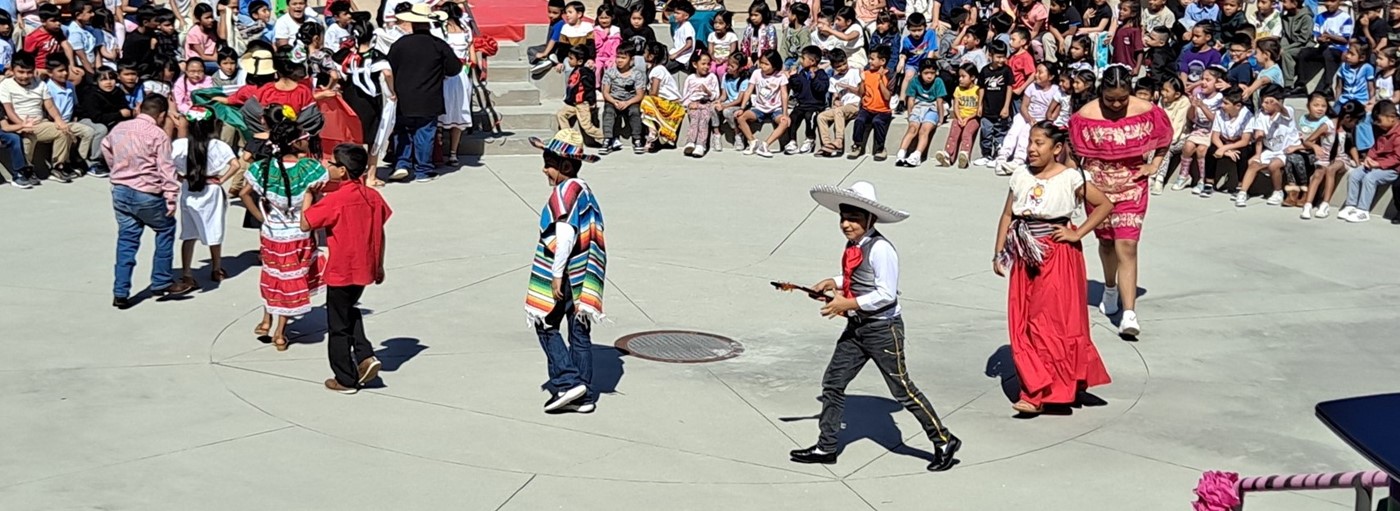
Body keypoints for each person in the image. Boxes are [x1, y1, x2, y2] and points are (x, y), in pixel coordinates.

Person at [790, 180, 961, 472]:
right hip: (857, 328)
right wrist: (835, 282)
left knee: (902, 390)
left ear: (869, 219)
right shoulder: (854, 245)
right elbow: (857, 277)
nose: (846, 224)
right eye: (843, 218)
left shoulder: (882, 249)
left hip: (883, 330)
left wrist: (847, 304)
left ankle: (944, 440)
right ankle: (827, 445)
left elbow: (886, 294)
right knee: (833, 382)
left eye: (853, 219)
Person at [992, 121, 1113, 415]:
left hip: (1057, 255)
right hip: (1025, 255)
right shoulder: (1020, 175)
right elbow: (1008, 213)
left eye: (1039, 143)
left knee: (1051, 323)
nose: (1032, 149)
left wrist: (1077, 232)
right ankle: (1048, 382)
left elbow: (1105, 205)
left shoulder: (1071, 178)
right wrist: (998, 253)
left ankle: (1040, 392)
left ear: (1057, 148)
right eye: (1030, 142)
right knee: (1024, 321)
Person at [1067, 65, 1172, 338]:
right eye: (1110, 99)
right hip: (1097, 186)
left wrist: (1155, 166)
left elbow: (1164, 138)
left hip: (1132, 184)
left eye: (1122, 99)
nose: (1116, 104)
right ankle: (1110, 287)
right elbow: (1074, 156)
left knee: (1127, 244)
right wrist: (1077, 184)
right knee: (1105, 242)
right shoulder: (1084, 116)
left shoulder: (1147, 110)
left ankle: (1129, 313)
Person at [525, 129, 607, 414]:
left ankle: (567, 380)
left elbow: (566, 234)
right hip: (585, 272)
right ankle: (582, 395)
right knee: (579, 333)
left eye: (548, 163)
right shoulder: (584, 189)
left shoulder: (564, 192)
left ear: (566, 166)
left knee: (545, 324)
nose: (544, 169)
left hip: (568, 273)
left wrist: (557, 274)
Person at [300, 143, 391, 395]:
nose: (328, 166)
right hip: (365, 267)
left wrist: (308, 196)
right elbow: (380, 232)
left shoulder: (337, 199)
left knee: (337, 324)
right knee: (349, 310)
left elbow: (305, 223)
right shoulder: (372, 196)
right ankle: (364, 355)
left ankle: (345, 378)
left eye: (332, 163)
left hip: (342, 269)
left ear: (342, 171)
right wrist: (380, 264)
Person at [238, 103, 328, 351]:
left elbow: (245, 193)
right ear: (296, 143)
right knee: (290, 280)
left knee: (272, 275)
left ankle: (266, 319)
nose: (308, 139)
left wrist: (263, 218)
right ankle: (280, 332)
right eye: (304, 137)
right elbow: (321, 192)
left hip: (271, 233)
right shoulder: (310, 170)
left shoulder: (263, 168)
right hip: (298, 234)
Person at [104, 94, 196, 309]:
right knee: (165, 230)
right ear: (162, 115)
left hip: (120, 191)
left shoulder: (119, 128)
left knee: (127, 240)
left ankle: (121, 291)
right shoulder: (158, 135)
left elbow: (106, 149)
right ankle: (161, 281)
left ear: (139, 108)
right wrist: (171, 199)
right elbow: (166, 169)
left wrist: (117, 169)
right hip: (147, 194)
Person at [386, 4, 461, 183]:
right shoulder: (439, 45)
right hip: (429, 98)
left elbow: (389, 68)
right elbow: (454, 69)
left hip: (403, 98)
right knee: (425, 133)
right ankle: (423, 170)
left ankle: (402, 164)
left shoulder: (400, 44)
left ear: (412, 23)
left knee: (402, 132)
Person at [175, 107, 239, 285]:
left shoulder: (179, 145)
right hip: (212, 189)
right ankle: (216, 269)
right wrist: (222, 179)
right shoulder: (219, 146)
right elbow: (235, 165)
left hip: (189, 189)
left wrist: (181, 177)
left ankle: (187, 272)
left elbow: (166, 164)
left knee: (188, 233)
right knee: (214, 228)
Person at [2, 51, 75, 183]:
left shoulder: (40, 83)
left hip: (40, 123)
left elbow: (50, 106)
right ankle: (27, 170)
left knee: (64, 131)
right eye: (21, 72)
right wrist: (22, 124)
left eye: (29, 72)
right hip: (19, 124)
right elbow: (9, 110)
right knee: (26, 139)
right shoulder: (5, 85)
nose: (25, 76)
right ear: (12, 70)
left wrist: (59, 120)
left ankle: (58, 166)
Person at [1235, 84, 1301, 207]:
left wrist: (1278, 104)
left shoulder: (1287, 111)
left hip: (1287, 150)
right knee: (1253, 163)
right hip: (1270, 149)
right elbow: (1259, 137)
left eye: (1267, 102)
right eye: (1263, 102)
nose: (1264, 105)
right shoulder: (1261, 114)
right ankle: (1243, 192)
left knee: (1274, 165)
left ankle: (1278, 191)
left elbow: (1285, 111)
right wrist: (1258, 154)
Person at [1339, 99, 1400, 223]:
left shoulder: (1398, 135)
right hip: (1376, 164)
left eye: (1380, 120)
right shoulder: (1384, 130)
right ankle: (1351, 205)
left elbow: (1397, 158)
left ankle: (1363, 210)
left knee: (1370, 178)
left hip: (1393, 169)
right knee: (1355, 174)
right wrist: (1369, 158)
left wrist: (1379, 164)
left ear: (1391, 118)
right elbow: (1375, 147)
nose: (1377, 123)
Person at [894, 58, 945, 167]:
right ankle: (901, 153)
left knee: (924, 130)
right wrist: (910, 115)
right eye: (926, 73)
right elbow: (911, 100)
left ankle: (917, 155)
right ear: (920, 73)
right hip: (918, 107)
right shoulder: (915, 81)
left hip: (932, 108)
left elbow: (939, 102)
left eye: (932, 73)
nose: (929, 76)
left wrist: (941, 118)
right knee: (912, 128)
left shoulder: (938, 82)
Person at [973, 40, 1013, 168]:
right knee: (986, 132)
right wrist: (979, 105)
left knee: (1000, 133)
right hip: (987, 109)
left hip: (1001, 109)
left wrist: (1006, 106)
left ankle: (997, 156)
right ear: (990, 55)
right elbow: (981, 88)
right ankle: (986, 155)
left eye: (1003, 57)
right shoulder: (985, 71)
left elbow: (1009, 88)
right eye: (998, 57)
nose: (1001, 60)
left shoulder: (1007, 71)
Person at [600, 47, 648, 155]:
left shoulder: (637, 74)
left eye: (623, 58)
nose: (619, 60)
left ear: (631, 60)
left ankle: (637, 139)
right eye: (618, 57)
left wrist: (627, 103)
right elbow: (605, 92)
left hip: (630, 101)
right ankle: (607, 139)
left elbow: (640, 94)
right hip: (613, 101)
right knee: (608, 112)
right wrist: (614, 101)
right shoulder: (610, 72)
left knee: (635, 112)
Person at [849, 46, 893, 161]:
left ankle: (880, 149)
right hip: (867, 108)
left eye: (872, 59)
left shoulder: (889, 75)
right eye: (869, 58)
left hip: (883, 110)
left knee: (877, 121)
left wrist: (880, 79)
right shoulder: (866, 73)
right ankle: (857, 145)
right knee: (859, 120)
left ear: (882, 61)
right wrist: (863, 81)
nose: (869, 61)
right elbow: (861, 93)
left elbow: (887, 97)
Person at [640, 41, 684, 150]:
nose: (643, 55)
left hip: (672, 105)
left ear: (651, 56)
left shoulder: (657, 70)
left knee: (646, 101)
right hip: (663, 102)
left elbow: (654, 93)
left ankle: (652, 133)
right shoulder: (654, 69)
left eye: (645, 52)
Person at [816, 49, 860, 157]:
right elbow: (835, 97)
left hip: (855, 104)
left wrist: (849, 87)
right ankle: (827, 145)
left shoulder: (855, 72)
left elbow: (862, 91)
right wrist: (835, 102)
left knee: (839, 112)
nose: (843, 67)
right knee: (821, 116)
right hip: (843, 107)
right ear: (833, 67)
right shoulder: (833, 79)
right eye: (839, 66)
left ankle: (839, 141)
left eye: (844, 64)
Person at [937, 63, 981, 168]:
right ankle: (948, 155)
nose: (960, 79)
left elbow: (979, 109)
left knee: (966, 133)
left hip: (973, 118)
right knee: (953, 134)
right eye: (959, 76)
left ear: (973, 77)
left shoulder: (978, 90)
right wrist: (959, 117)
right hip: (960, 116)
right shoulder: (958, 89)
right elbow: (956, 105)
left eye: (963, 76)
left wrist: (967, 118)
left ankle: (964, 154)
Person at [557, 47, 604, 144]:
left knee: (587, 127)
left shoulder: (586, 73)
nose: (568, 60)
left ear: (580, 61)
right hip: (574, 104)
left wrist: (591, 102)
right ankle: (568, 137)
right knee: (561, 114)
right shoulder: (576, 70)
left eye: (571, 58)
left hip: (583, 104)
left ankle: (608, 137)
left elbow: (589, 89)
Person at [679, 52, 720, 157]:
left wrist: (708, 93)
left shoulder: (712, 77)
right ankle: (690, 142)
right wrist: (689, 104)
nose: (706, 67)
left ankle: (701, 144)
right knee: (695, 119)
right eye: (703, 64)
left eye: (708, 64)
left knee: (703, 120)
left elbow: (716, 95)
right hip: (693, 104)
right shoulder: (690, 78)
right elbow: (685, 96)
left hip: (707, 103)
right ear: (695, 64)